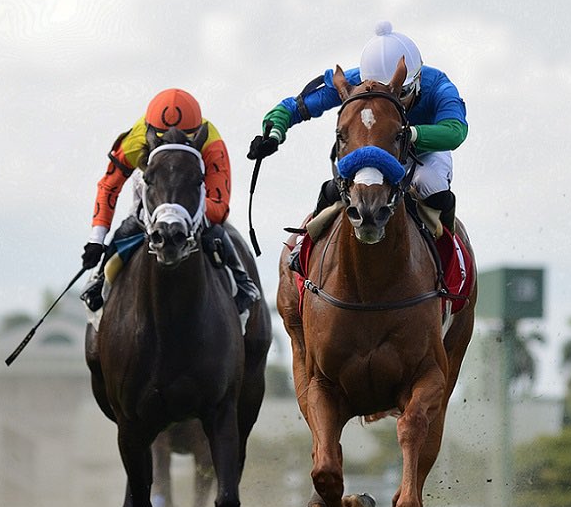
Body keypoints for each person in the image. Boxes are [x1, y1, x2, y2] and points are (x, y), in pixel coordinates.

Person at [247, 21, 468, 234]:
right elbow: (295, 107)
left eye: (401, 93)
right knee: (335, 189)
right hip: (373, 153)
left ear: (418, 78)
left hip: (425, 154)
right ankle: (301, 253)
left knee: (432, 183)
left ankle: (453, 259)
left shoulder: (439, 85)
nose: (392, 102)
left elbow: (455, 131)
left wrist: (407, 135)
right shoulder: (358, 82)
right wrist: (274, 132)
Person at [80, 88, 260, 320]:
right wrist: (97, 239)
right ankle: (99, 280)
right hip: (151, 198)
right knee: (127, 228)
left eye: (183, 136)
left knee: (215, 230)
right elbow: (109, 186)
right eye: (165, 137)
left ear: (196, 133)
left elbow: (219, 206)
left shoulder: (211, 142)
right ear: (151, 133)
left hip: (192, 203)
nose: (175, 137)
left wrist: (182, 217)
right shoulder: (135, 140)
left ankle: (243, 283)